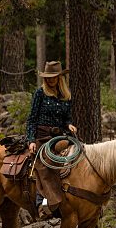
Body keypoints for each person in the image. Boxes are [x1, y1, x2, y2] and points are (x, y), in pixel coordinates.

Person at [26, 61, 77, 218]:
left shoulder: (65, 96)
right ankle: (44, 203)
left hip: (60, 136)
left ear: (59, 77)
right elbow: (32, 119)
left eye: (53, 77)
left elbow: (66, 118)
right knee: (44, 165)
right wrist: (31, 140)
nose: (50, 80)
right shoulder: (40, 93)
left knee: (78, 156)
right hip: (42, 136)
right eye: (48, 77)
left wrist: (69, 125)